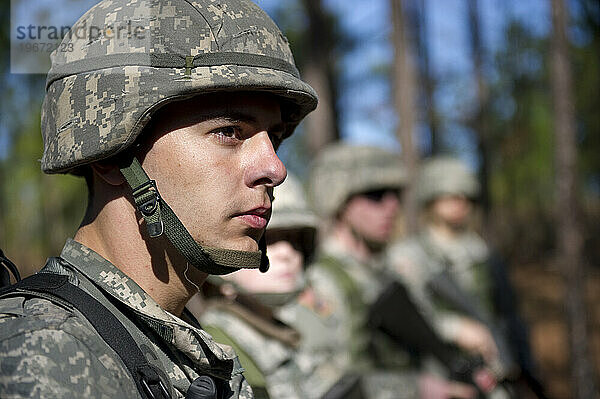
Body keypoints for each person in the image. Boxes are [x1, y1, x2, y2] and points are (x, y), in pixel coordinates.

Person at [0, 0, 317, 398]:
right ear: (113, 157)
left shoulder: (178, 346)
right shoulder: (45, 357)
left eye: (273, 137)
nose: (275, 169)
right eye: (230, 131)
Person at [288, 143, 476, 399]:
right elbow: (316, 381)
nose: (391, 206)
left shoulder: (390, 271)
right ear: (338, 200)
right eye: (375, 194)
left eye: (395, 194)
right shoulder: (321, 283)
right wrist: (414, 388)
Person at [386, 156, 531, 395]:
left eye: (466, 197)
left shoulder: (482, 254)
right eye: (452, 196)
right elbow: (402, 319)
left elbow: (506, 315)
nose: (461, 203)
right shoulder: (410, 256)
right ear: (432, 198)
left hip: (491, 374)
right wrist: (454, 328)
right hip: (439, 375)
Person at [195, 173, 343, 399]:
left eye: (295, 240)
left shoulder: (283, 331)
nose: (288, 254)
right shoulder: (218, 351)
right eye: (266, 239)